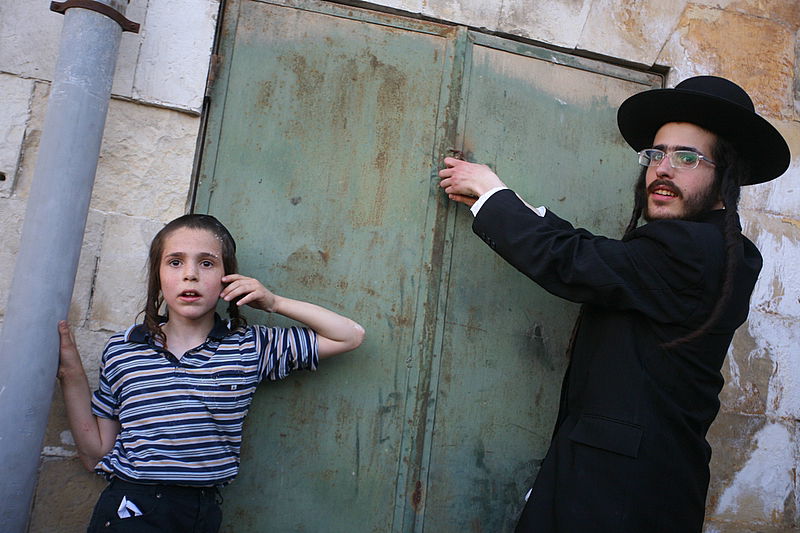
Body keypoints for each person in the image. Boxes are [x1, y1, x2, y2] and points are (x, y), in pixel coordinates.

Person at [438, 76, 790, 532]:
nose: (663, 169)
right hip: (612, 487)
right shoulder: (707, 249)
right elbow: (598, 257)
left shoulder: (696, 250)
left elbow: (574, 262)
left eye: (686, 157)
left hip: (622, 499)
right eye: (656, 154)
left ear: (727, 177)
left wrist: (491, 194)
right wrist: (510, 204)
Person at [57, 213, 365, 532]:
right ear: (158, 276)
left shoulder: (250, 346)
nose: (190, 274)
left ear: (227, 278)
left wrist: (273, 302)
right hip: (130, 508)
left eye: (206, 263)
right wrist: (71, 372)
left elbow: (349, 336)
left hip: (201, 513)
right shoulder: (124, 349)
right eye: (175, 262)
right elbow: (96, 455)